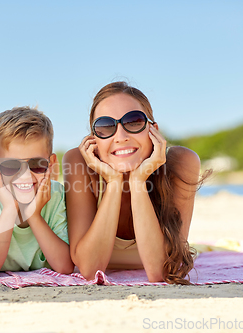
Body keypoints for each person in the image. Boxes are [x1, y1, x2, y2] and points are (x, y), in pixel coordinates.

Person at [63, 82, 208, 284]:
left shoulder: (181, 163)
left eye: (133, 122)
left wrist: (138, 181)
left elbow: (160, 272)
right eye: (105, 127)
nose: (121, 137)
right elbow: (89, 269)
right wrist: (113, 182)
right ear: (94, 139)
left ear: (153, 130)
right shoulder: (79, 162)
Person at [0, 107, 74, 277]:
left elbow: (64, 266)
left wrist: (34, 215)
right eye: (11, 166)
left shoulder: (56, 194)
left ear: (51, 163)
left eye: (36, 164)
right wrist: (9, 209)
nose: (25, 175)